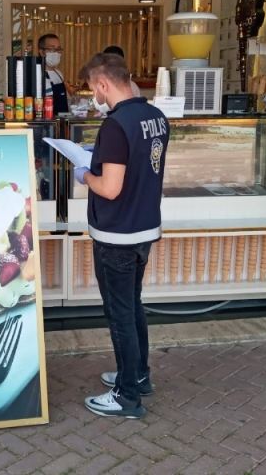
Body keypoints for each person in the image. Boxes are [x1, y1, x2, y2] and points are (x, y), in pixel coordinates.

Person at [74, 53, 169, 419]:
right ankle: (138, 375)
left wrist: (84, 173)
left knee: (120, 314)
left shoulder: (115, 125)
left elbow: (110, 188)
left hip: (117, 234)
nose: (94, 96)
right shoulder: (155, 116)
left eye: (92, 89)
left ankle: (127, 396)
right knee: (132, 306)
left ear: (103, 84)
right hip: (144, 227)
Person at [38, 33, 70, 114]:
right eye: (52, 49)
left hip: (62, 119)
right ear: (42, 52)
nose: (56, 53)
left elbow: (66, 100)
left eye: (58, 49)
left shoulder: (58, 73)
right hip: (48, 120)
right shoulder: (38, 75)